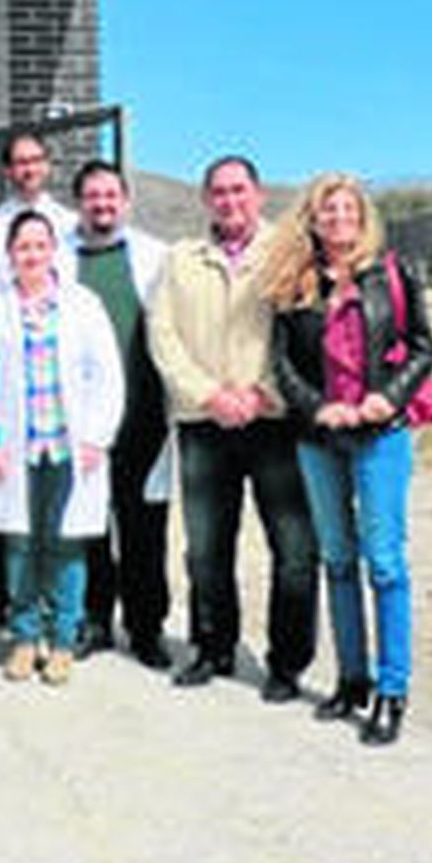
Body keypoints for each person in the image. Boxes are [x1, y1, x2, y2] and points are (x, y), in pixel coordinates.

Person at [265, 174, 432, 744]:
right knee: (337, 559)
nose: (337, 219)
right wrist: (319, 410)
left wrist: (387, 397)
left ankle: (393, 688)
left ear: (362, 217)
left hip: (381, 433)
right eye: (326, 210)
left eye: (347, 210)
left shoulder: (393, 272)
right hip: (320, 439)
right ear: (312, 220)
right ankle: (352, 678)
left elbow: (422, 348)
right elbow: (283, 364)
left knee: (384, 562)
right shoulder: (295, 282)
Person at [149, 155, 319, 701]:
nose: (229, 200)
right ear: (205, 200)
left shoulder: (289, 256)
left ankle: (287, 663)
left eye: (238, 190)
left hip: (273, 422)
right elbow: (163, 335)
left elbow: (300, 337)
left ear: (259, 194)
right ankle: (213, 647)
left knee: (293, 549)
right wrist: (209, 395)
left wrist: (260, 393)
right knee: (206, 550)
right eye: (218, 192)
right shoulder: (181, 260)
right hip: (205, 423)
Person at [0, 211, 123, 685]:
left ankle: (65, 640)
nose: (31, 255)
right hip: (15, 451)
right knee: (21, 546)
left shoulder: (83, 305)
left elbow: (106, 375)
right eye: (22, 248)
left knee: (68, 546)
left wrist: (96, 435)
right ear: (9, 256)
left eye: (39, 246)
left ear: (54, 251)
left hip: (72, 449)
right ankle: (25, 636)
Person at [67, 161, 174, 667]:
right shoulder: (61, 260)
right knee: (89, 528)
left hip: (144, 419)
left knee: (143, 531)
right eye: (92, 196)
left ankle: (147, 629)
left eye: (111, 195)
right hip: (82, 424)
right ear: (79, 203)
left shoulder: (156, 257)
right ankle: (94, 622)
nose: (102, 204)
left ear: (126, 201)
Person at [0, 132, 76, 296]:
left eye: (36, 160)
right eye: (22, 163)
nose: (30, 169)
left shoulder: (71, 224)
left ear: (47, 166)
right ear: (7, 170)